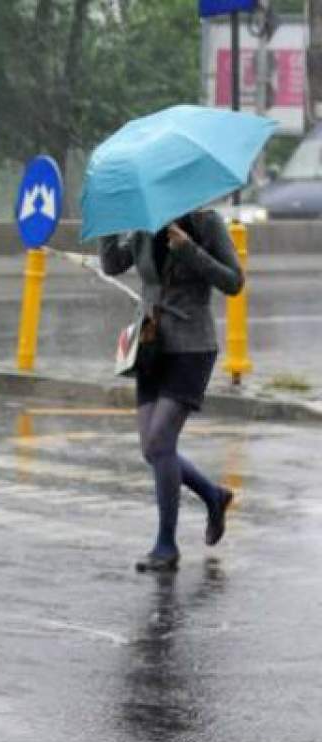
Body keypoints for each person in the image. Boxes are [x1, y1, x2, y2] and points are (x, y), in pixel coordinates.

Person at [100, 209, 245, 572]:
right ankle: (213, 495)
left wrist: (189, 250)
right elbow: (113, 265)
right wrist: (107, 226)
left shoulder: (205, 223)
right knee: (152, 448)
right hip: (151, 346)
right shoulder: (143, 223)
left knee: (160, 442)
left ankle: (166, 546)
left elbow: (233, 281)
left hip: (193, 346)